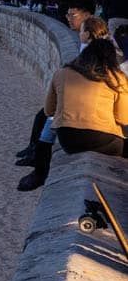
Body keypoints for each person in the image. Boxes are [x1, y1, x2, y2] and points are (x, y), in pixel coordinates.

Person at [18, 37, 128, 191]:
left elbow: (48, 110)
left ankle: (39, 173)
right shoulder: (117, 78)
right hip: (102, 139)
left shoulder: (61, 73)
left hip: (67, 140)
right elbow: (123, 118)